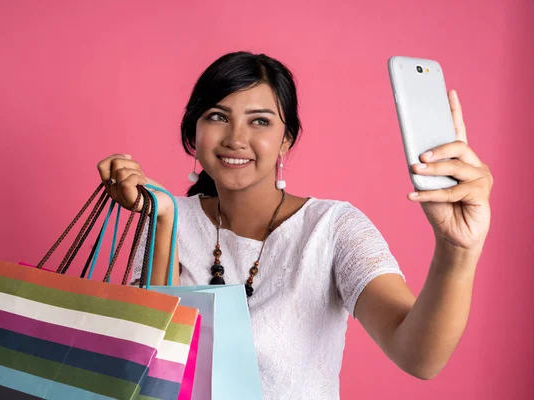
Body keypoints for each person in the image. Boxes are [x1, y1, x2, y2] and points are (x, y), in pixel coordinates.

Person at [97, 52, 493, 399]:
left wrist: (457, 250)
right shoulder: (167, 218)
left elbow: (418, 356)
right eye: (218, 116)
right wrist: (164, 217)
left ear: (286, 140)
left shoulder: (333, 228)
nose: (236, 138)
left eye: (260, 121)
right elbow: (147, 360)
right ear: (193, 134)